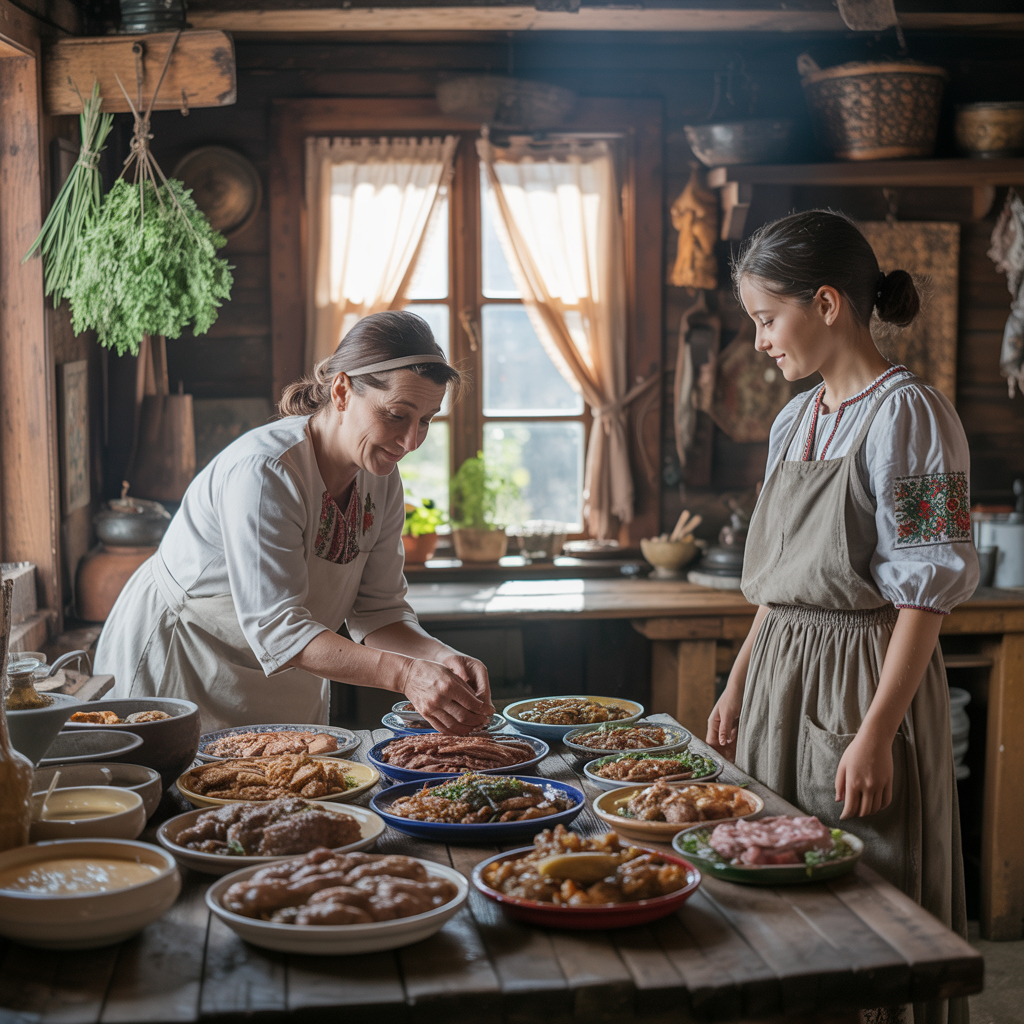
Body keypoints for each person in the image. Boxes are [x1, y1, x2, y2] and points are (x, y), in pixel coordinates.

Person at [707, 211, 977, 1024]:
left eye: (765, 319)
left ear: (826, 303)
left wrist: (875, 732)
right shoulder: (795, 419)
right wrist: (738, 683)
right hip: (778, 674)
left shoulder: (913, 417)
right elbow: (782, 582)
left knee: (868, 881)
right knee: (770, 876)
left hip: (862, 680)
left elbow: (924, 593)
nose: (759, 342)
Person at [96, 311, 493, 734]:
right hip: (183, 660)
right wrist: (403, 675)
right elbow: (276, 629)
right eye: (396, 415)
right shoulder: (266, 472)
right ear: (341, 391)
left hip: (281, 674)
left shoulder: (382, 480)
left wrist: (438, 657)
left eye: (427, 421)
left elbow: (380, 612)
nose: (412, 441)